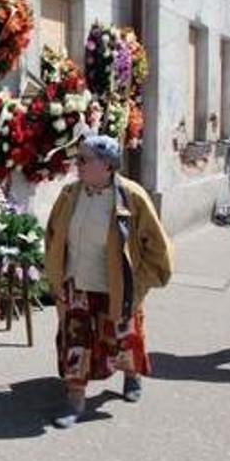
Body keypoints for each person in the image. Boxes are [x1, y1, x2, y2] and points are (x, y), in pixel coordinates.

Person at [43, 134, 174, 428]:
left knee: (122, 337)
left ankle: (132, 375)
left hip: (117, 286)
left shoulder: (132, 196)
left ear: (107, 165)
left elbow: (158, 244)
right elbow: (52, 234)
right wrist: (54, 274)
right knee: (75, 338)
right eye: (78, 159)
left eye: (84, 160)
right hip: (76, 282)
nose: (77, 165)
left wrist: (140, 283)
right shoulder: (69, 194)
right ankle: (75, 398)